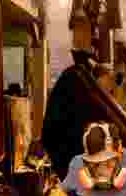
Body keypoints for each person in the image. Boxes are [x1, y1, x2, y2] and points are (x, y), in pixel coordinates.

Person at [41, 50, 118, 181]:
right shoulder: (78, 80)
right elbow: (88, 114)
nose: (106, 90)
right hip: (64, 142)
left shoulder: (74, 77)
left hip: (59, 141)